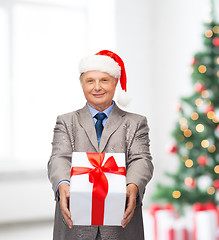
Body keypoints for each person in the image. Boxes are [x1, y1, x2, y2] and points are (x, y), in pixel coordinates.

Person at [47, 50, 154, 240]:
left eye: (104, 80)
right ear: (82, 84)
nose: (97, 87)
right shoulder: (66, 121)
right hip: (75, 224)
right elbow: (59, 158)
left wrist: (133, 185)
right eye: (90, 81)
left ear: (115, 83)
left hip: (120, 224)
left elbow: (141, 159)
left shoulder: (136, 122)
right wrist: (63, 185)